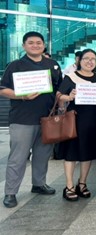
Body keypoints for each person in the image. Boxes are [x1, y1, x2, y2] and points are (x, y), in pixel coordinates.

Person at [0, 31, 63, 208]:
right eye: (31, 43)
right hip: (22, 119)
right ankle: (10, 192)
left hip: (47, 119)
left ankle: (39, 183)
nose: (35, 45)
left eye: (38, 43)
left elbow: (58, 89)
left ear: (44, 45)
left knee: (43, 154)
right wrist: (22, 95)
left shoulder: (53, 65)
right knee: (18, 157)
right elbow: (2, 89)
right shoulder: (15, 65)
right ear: (24, 46)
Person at [56, 49, 96, 201]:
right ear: (79, 60)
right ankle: (69, 186)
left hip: (92, 121)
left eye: (93, 59)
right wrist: (68, 96)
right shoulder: (70, 77)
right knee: (71, 153)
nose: (90, 61)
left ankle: (82, 183)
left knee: (88, 153)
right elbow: (59, 96)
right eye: (86, 58)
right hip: (74, 120)